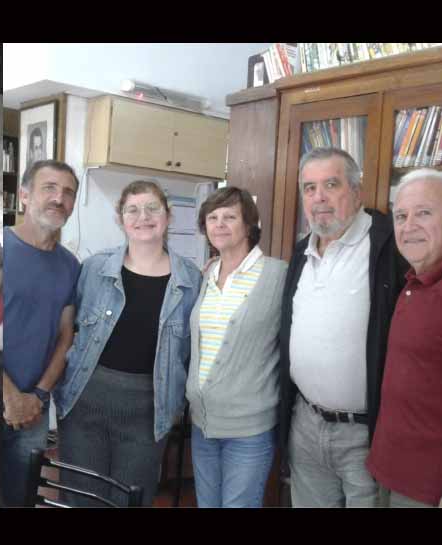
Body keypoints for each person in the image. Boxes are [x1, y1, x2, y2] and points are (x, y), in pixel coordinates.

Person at [55, 180, 201, 507]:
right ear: (120, 219)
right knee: (82, 500)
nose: (143, 217)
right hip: (85, 404)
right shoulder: (94, 269)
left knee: (130, 500)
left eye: (152, 209)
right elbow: (68, 331)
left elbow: (191, 351)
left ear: (168, 216)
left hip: (149, 412)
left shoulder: (191, 280)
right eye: (132, 210)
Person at [278, 147, 409, 508]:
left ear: (356, 192)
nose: (318, 197)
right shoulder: (301, 253)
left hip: (366, 433)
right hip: (305, 423)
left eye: (330, 184)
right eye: (309, 188)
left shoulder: (390, 246)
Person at [185, 187, 287, 508]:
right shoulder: (205, 276)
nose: (219, 224)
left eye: (230, 217)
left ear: (248, 225)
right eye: (212, 218)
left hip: (249, 428)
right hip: (202, 423)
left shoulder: (277, 275)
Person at [2, 159, 81, 507]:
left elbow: (66, 336)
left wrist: (37, 393)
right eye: (49, 188)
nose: (58, 198)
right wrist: (9, 396)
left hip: (35, 406)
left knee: (22, 496)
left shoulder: (70, 265)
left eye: (68, 192)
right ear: (24, 195)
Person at [366, 169, 442, 508]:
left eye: (424, 213)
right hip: (390, 469)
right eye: (401, 215)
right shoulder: (412, 283)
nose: (409, 226)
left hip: (426, 486)